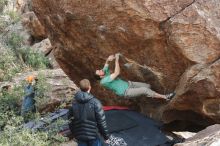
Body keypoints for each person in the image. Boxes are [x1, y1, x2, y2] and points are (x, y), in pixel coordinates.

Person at [95, 53, 175, 100]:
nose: (100, 70)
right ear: (100, 77)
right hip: (126, 92)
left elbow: (106, 64)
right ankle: (166, 97)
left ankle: (151, 94)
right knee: (145, 89)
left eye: (99, 70)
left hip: (129, 84)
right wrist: (116, 60)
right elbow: (116, 73)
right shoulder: (103, 81)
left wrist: (109, 59)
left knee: (148, 86)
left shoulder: (104, 72)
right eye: (99, 72)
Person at [68, 79, 109, 146]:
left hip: (80, 136)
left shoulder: (73, 103)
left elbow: (70, 121)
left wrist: (74, 134)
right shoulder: (96, 102)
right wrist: (106, 136)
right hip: (93, 136)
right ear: (90, 87)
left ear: (79, 88)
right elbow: (101, 122)